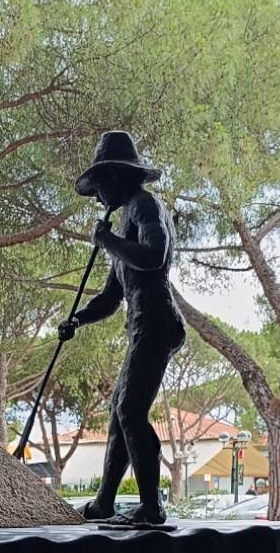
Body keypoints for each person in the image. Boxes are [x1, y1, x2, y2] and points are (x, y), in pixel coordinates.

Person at [58, 132, 186, 527]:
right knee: (119, 414)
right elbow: (111, 297)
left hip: (157, 321)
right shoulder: (126, 216)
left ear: (114, 176)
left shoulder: (146, 207)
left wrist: (108, 239)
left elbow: (154, 256)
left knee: (131, 411)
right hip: (140, 325)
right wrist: (77, 318)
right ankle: (104, 503)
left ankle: (151, 506)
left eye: (99, 187)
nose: (97, 198)